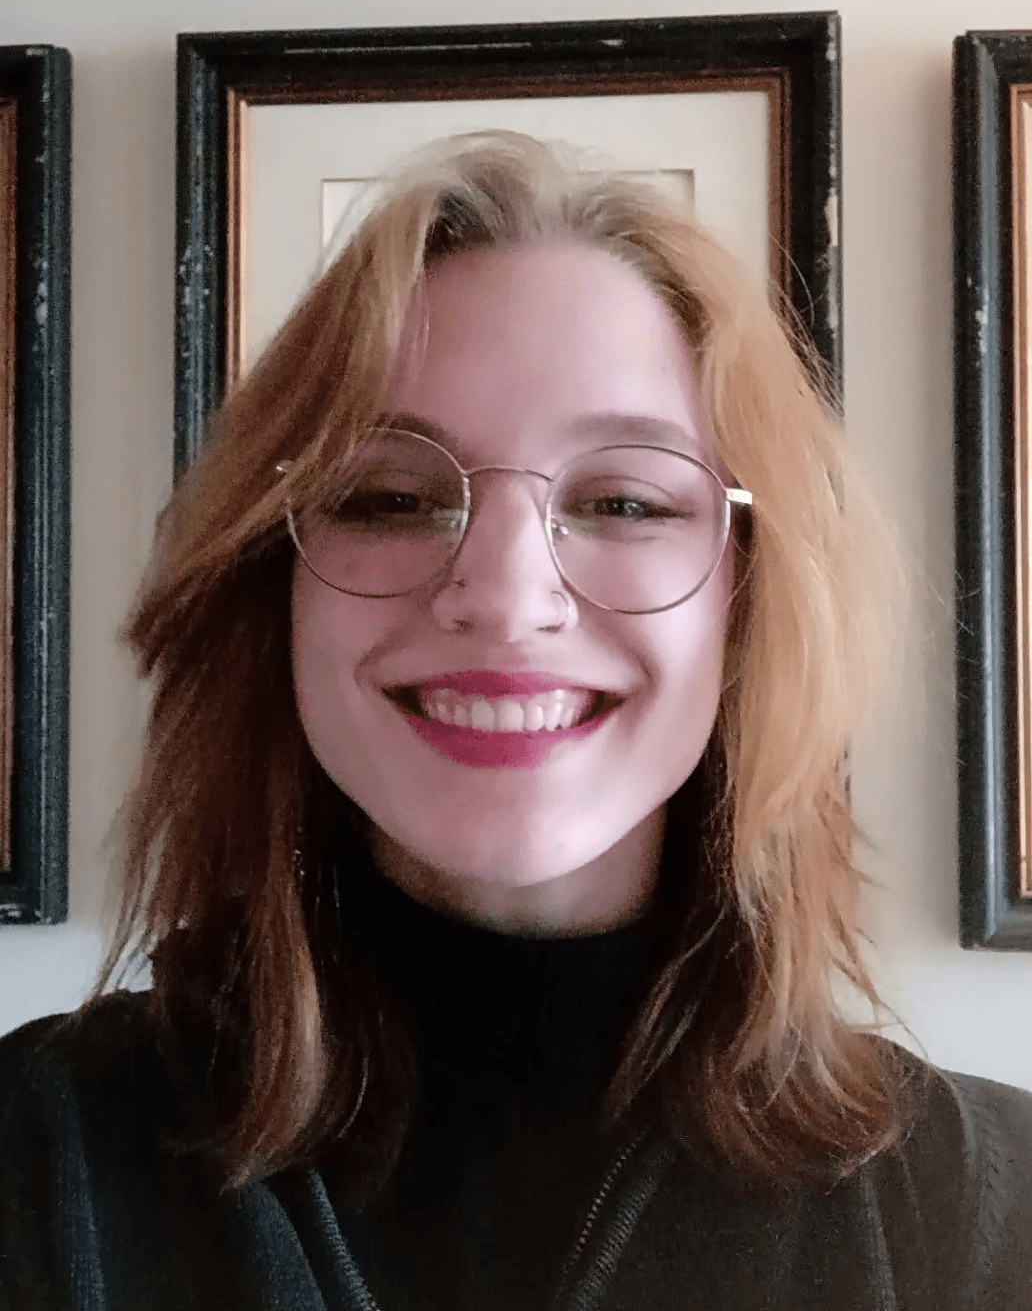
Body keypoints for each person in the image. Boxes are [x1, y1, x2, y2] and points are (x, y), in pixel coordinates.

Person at [1, 130, 1030, 1311]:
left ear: (751, 595)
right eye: (388, 496)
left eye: (626, 499)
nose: (502, 595)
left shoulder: (989, 1214)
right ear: (266, 585)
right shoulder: (41, 1158)